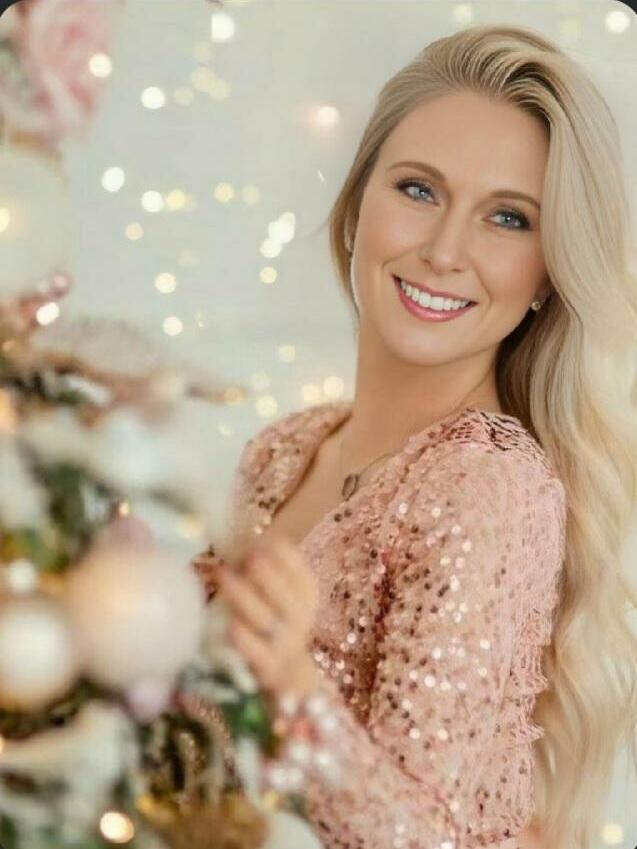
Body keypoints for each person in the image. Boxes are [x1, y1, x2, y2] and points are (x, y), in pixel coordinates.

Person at [194, 23, 637, 849]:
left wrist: (289, 687)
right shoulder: (283, 450)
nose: (443, 250)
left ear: (547, 275)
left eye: (506, 217)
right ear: (356, 205)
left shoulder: (484, 488)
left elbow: (422, 837)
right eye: (418, 190)